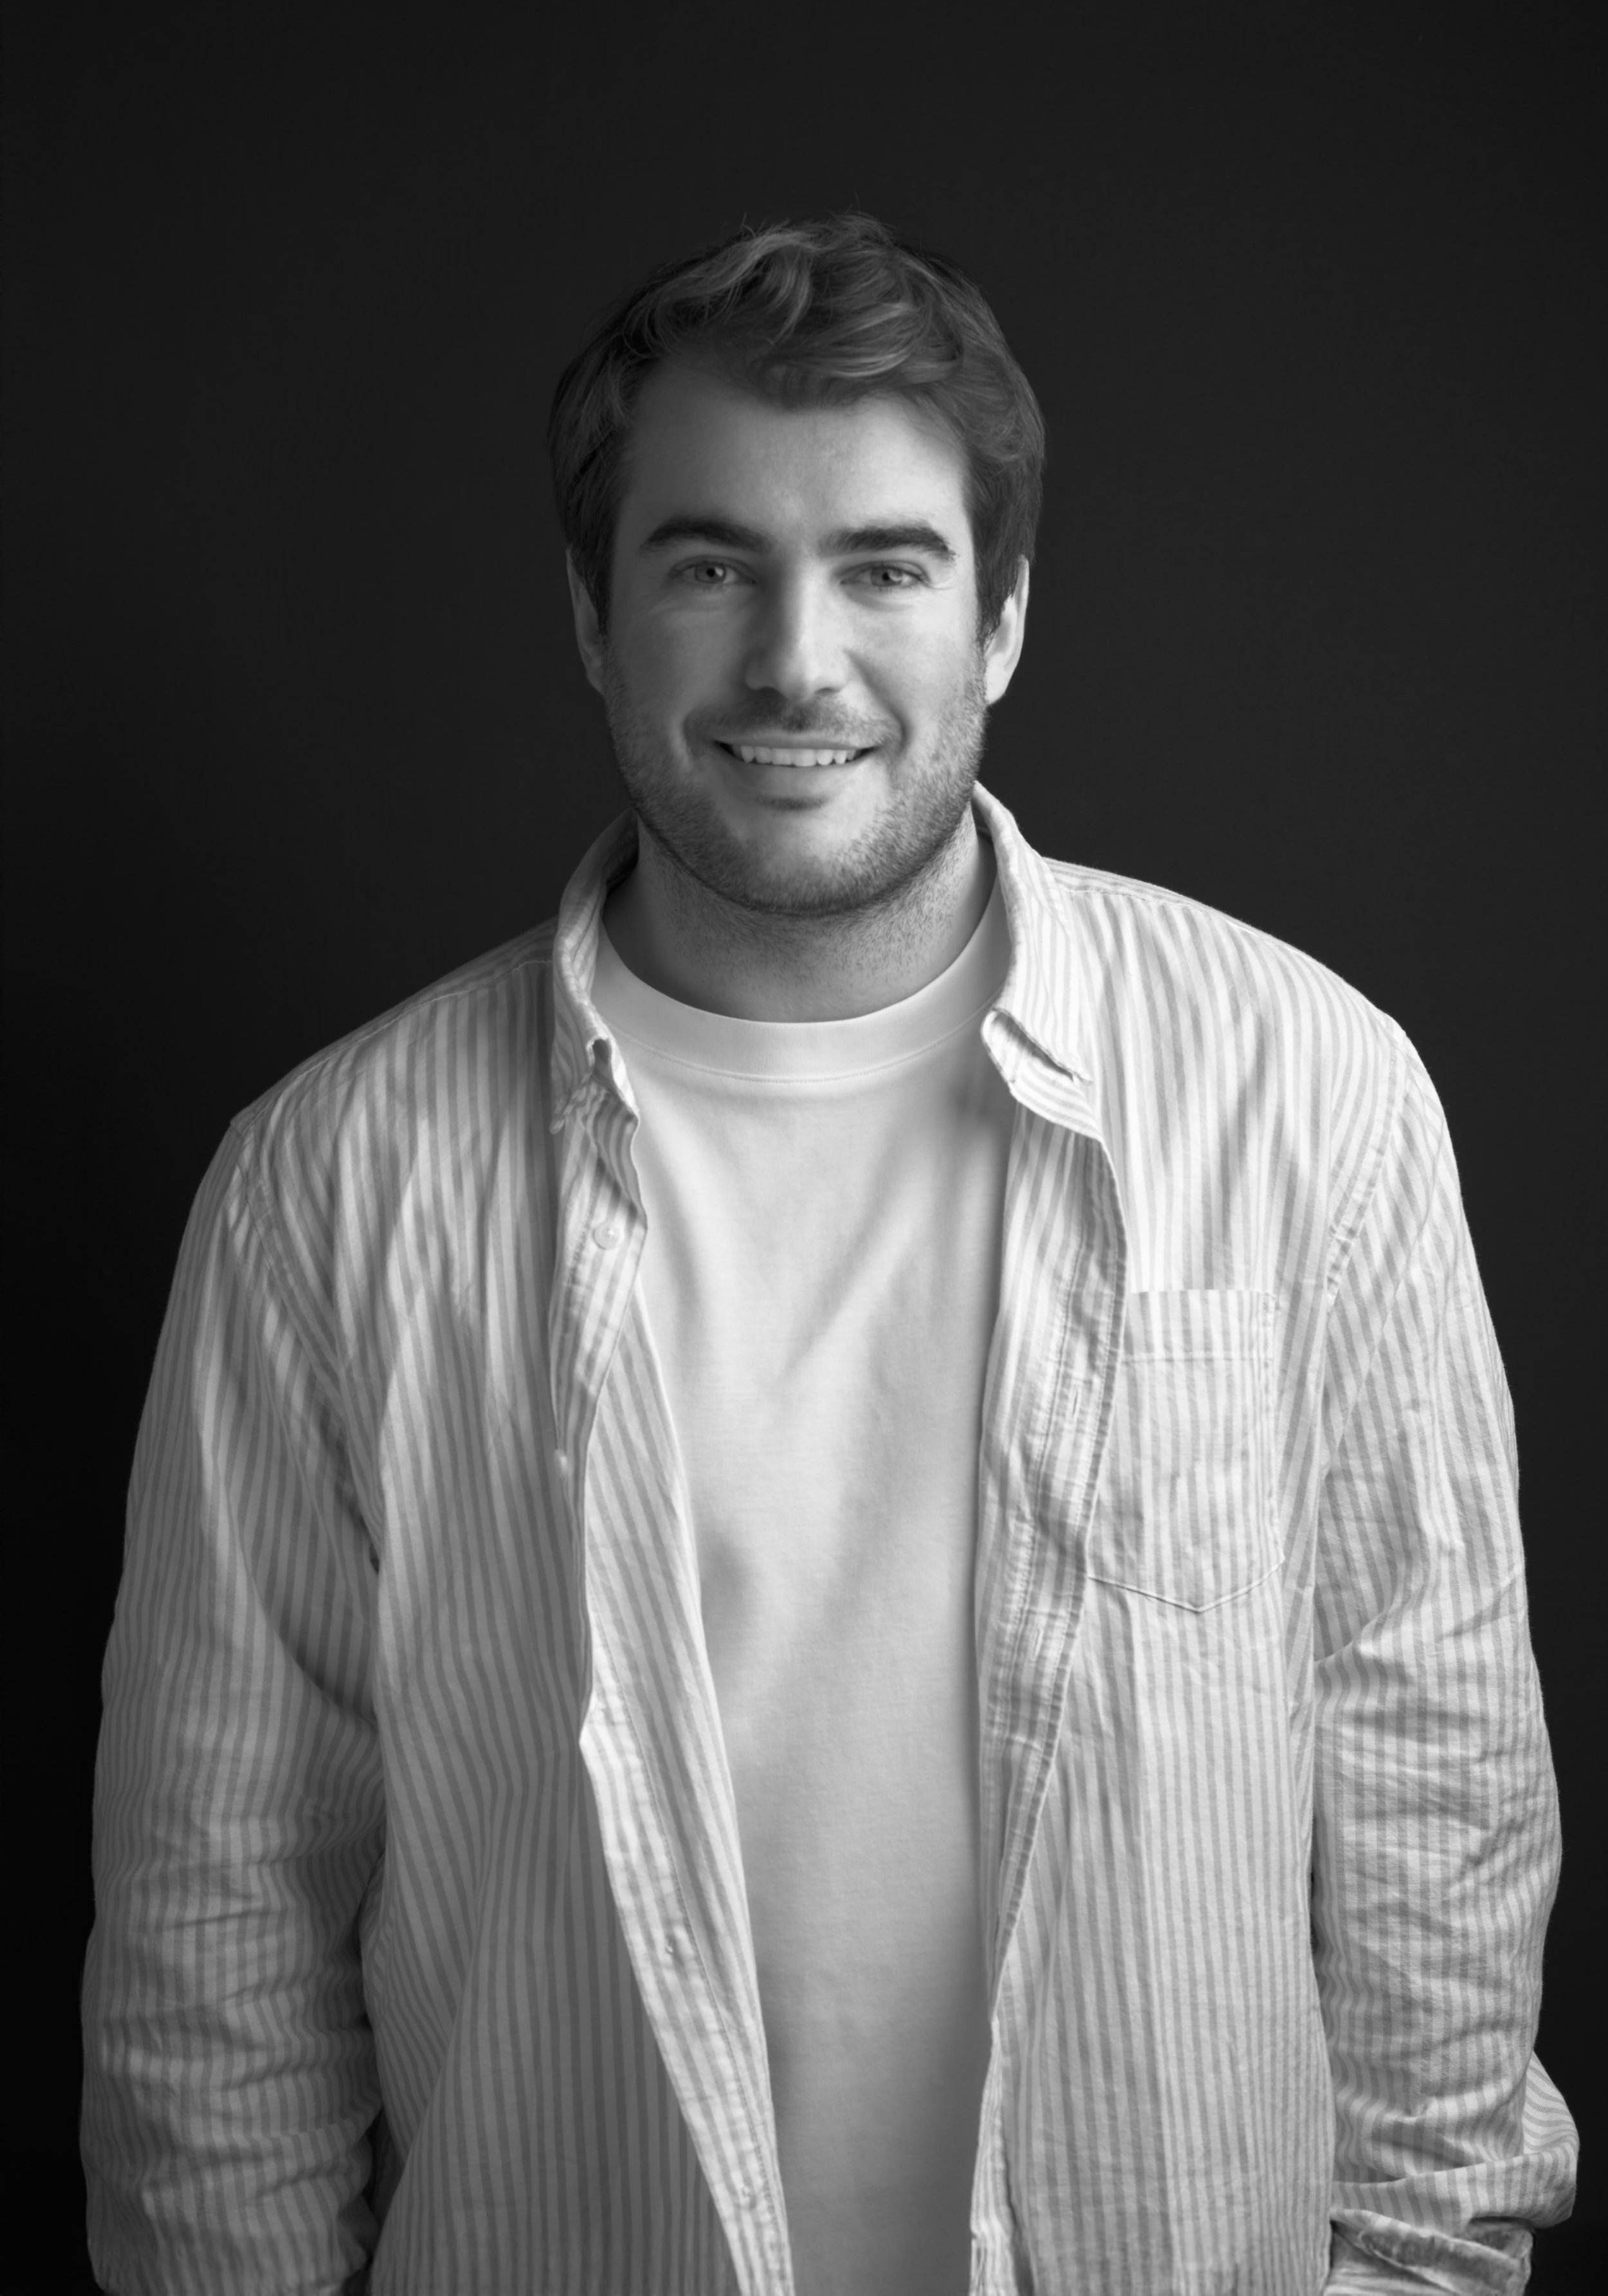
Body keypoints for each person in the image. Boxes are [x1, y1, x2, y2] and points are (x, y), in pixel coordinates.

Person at [81, 211, 1575, 2296]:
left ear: (1004, 619)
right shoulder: (331, 1189)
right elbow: (216, 1918)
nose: (796, 658)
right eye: (710, 566)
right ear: (596, 623)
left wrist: (1416, 2272)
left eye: (884, 566)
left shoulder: (1306, 1093)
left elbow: (1433, 1766)